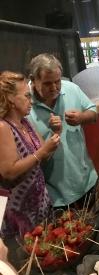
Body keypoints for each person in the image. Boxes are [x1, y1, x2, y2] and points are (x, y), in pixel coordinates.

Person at [28, 53, 98, 208]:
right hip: (55, 195)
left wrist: (81, 117)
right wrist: (54, 134)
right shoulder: (23, 104)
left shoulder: (71, 88)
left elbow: (94, 114)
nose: (54, 88)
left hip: (87, 180)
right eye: (47, 83)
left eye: (57, 81)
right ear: (33, 80)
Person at [0, 71, 60, 237]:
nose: (31, 101)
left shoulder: (25, 122)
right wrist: (42, 152)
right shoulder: (3, 127)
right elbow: (8, 171)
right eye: (26, 96)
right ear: (11, 98)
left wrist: (56, 133)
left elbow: (45, 153)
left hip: (39, 203)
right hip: (19, 210)